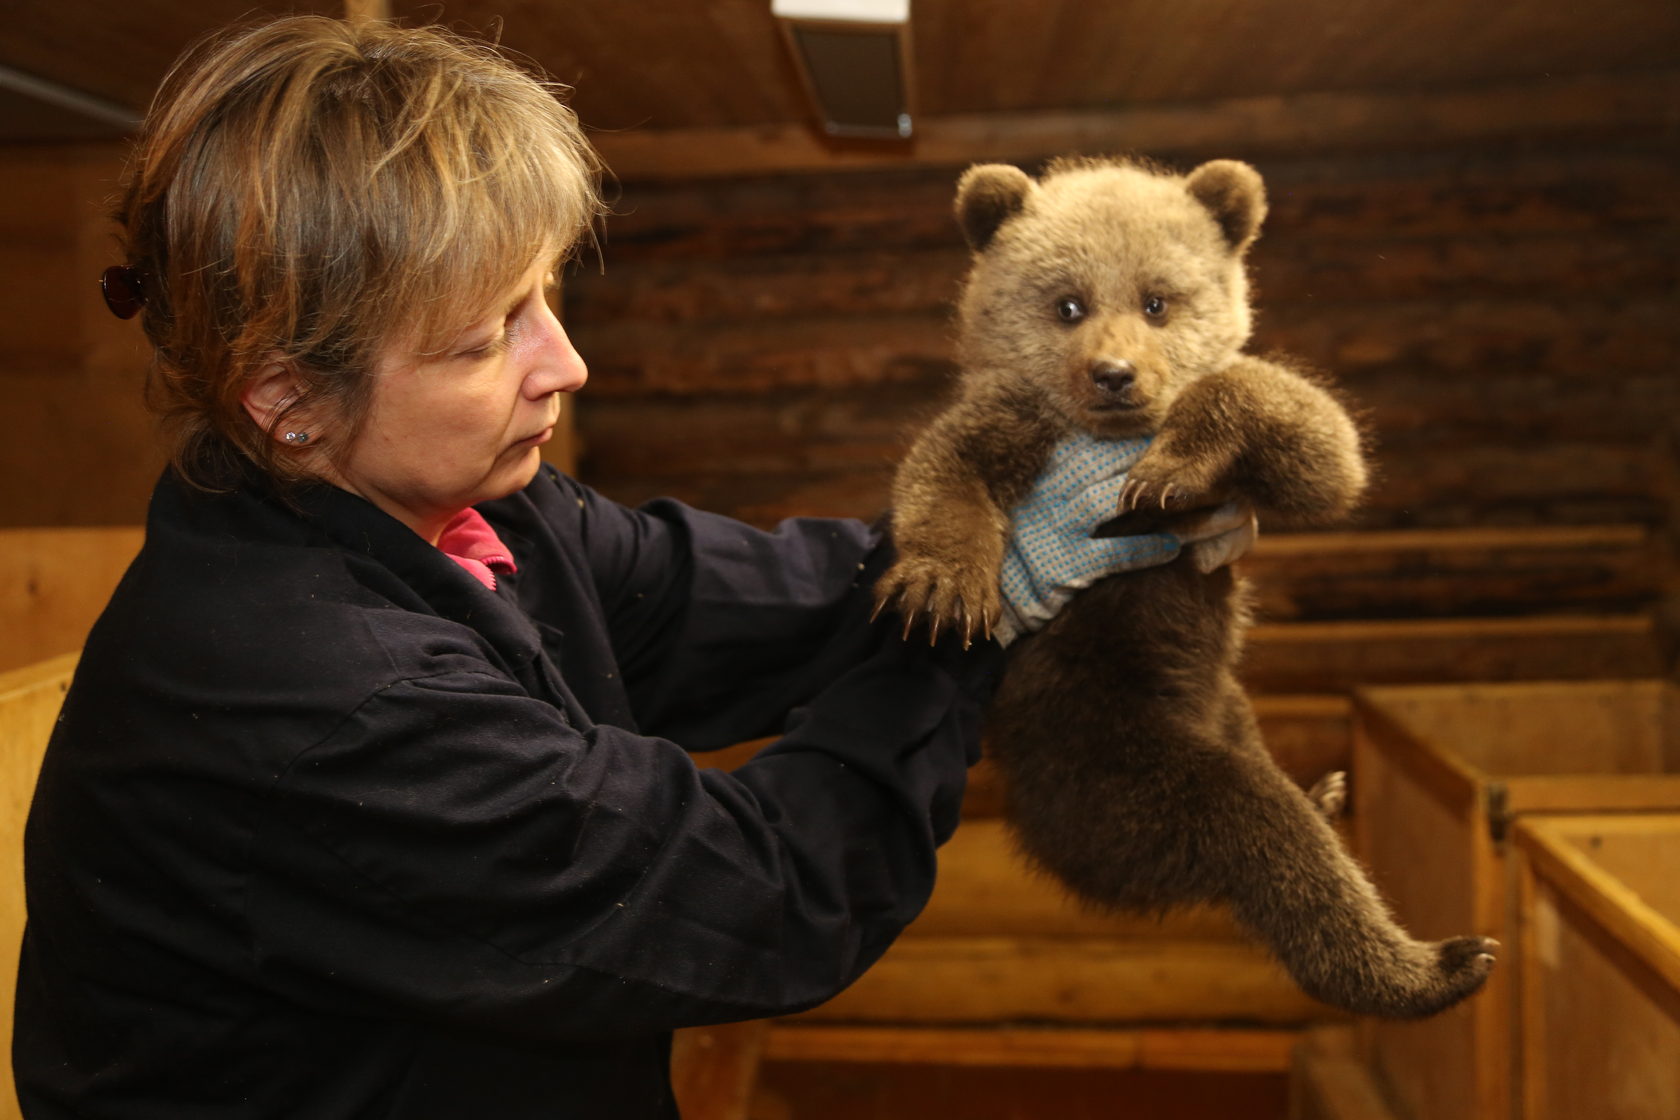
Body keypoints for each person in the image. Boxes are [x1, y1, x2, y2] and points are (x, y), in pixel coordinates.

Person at [14, 16, 1252, 1118]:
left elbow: (714, 596)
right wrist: (983, 609)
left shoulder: (445, 505)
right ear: (287, 398)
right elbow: (762, 889)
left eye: (546, 298)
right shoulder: (328, 701)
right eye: (486, 336)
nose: (564, 364)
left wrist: (996, 522)